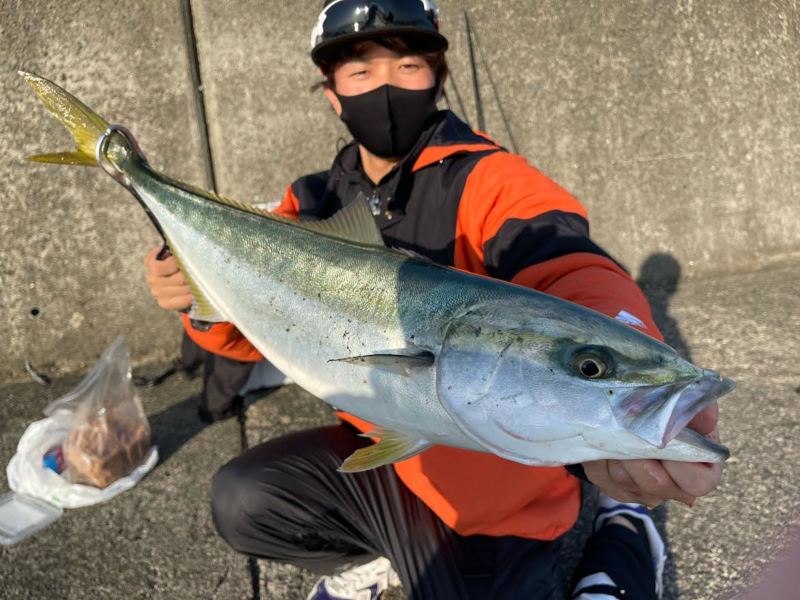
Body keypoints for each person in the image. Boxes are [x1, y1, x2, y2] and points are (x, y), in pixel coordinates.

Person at [143, 1, 723, 598]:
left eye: (409, 66)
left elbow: (565, 259)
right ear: (332, 95)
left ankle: (625, 529)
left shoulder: (492, 179)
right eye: (361, 73)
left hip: (499, 494)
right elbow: (249, 334)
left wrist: (619, 334)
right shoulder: (308, 203)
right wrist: (193, 296)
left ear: (438, 79)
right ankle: (367, 555)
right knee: (245, 501)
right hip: (391, 452)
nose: (386, 87)